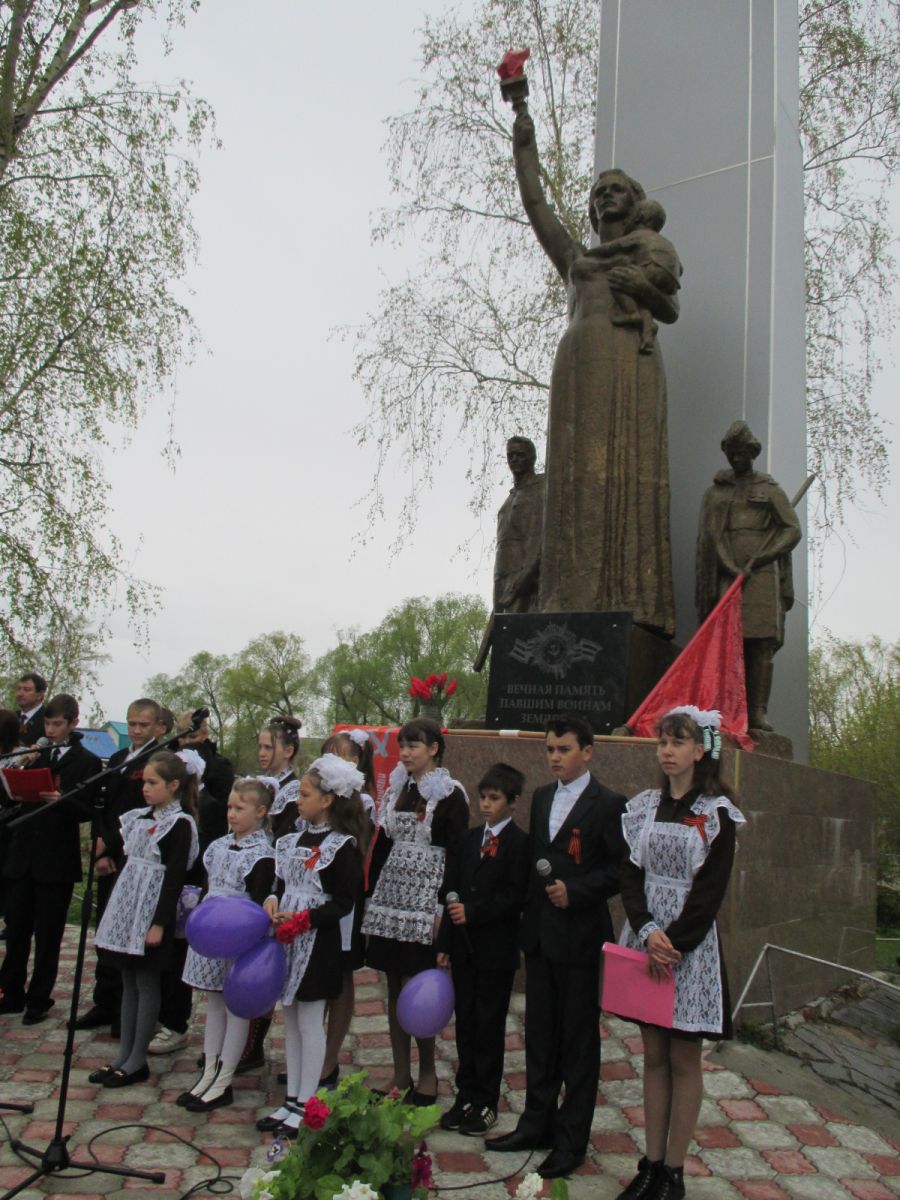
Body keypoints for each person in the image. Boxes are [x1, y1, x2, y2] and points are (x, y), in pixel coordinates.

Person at [510, 99, 681, 633]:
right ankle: (570, 594)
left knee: (627, 472)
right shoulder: (577, 259)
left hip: (629, 363)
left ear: (634, 204)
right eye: (598, 192)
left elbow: (670, 307)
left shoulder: (649, 249)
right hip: (579, 368)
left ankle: (629, 596)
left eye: (616, 190)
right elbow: (536, 207)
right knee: (576, 481)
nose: (605, 196)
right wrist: (523, 144)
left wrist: (640, 285)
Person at [486, 713, 627, 1180]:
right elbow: (536, 860)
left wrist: (577, 891)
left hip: (582, 938)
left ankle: (571, 1140)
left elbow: (619, 870)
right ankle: (536, 1124)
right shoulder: (543, 797)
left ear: (587, 751)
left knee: (577, 1042)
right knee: (540, 1036)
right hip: (542, 935)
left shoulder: (609, 803)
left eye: (564, 749)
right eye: (549, 749)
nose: (554, 757)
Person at [617, 706, 745, 1200]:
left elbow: (710, 892)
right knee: (653, 1056)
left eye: (677, 742)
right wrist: (647, 930)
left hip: (687, 950)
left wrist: (672, 944)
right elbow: (631, 874)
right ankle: (650, 1163)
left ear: (700, 750)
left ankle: (673, 1172)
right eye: (662, 742)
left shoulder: (716, 814)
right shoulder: (645, 806)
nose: (667, 751)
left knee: (684, 1058)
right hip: (648, 937)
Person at [362, 717, 469, 1104]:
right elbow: (383, 844)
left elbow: (457, 853)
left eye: (413, 745)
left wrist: (445, 904)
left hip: (428, 897)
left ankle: (427, 1072)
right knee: (393, 982)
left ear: (434, 748)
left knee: (419, 985)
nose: (405, 753)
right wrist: (372, 896)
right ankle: (400, 1071)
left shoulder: (450, 793)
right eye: (402, 746)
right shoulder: (397, 789)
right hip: (393, 895)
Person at [258, 753, 365, 1135]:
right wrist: (273, 900)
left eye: (304, 794)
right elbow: (281, 882)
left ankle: (308, 1102)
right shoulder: (291, 840)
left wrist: (306, 919)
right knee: (291, 1020)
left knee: (309, 1020)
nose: (297, 800)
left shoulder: (342, 846)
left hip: (318, 943)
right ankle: (291, 1100)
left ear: (327, 799)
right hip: (289, 939)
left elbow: (344, 901)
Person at [90, 750, 200, 1088]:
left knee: (147, 982)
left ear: (174, 785)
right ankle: (123, 1055)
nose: (145, 788)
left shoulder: (179, 824)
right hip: (130, 908)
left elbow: (174, 878)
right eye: (145, 782)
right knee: (128, 982)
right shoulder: (138, 818)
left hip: (152, 913)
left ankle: (138, 1060)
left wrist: (159, 923)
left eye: (153, 783)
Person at [436, 762, 529, 1136]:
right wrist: (445, 942)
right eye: (483, 797)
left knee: (489, 1025)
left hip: (496, 950)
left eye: (495, 798)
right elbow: (452, 890)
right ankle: (466, 1094)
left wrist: (473, 912)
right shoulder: (470, 838)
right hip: (464, 949)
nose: (486, 804)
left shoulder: (519, 844)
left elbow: (514, 896)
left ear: (513, 802)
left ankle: (487, 1100)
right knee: (466, 1023)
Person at [696, 421, 802, 732]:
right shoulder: (716, 493)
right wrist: (730, 565)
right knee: (730, 644)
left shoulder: (770, 490)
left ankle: (757, 711)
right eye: (732, 453)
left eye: (742, 453)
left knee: (761, 644)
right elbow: (711, 537)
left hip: (762, 577)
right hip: (728, 575)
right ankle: (729, 708)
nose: (737, 459)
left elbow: (791, 530)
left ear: (752, 453)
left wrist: (764, 557)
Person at [177, 777, 276, 1112]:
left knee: (235, 1007)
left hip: (239, 936)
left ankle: (224, 1078)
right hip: (212, 931)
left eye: (239, 808)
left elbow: (258, 903)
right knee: (214, 1004)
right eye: (230, 807)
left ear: (260, 812)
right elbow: (208, 886)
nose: (231, 814)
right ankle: (209, 1071)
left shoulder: (262, 855)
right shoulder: (218, 846)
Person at [0, 693, 99, 1023]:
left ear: (73, 723)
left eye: (57, 724)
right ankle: (11, 992)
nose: (51, 730)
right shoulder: (35, 754)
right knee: (16, 930)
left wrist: (61, 800)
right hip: (23, 854)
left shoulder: (86, 761)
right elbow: (11, 799)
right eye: (47, 723)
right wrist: (18, 774)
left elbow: (87, 810)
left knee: (48, 935)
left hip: (56, 859)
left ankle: (38, 999)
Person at [72, 697, 162, 1033]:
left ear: (157, 727)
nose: (136, 730)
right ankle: (104, 1000)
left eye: (143, 725)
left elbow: (140, 812)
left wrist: (110, 843)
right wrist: (100, 848)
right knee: (106, 927)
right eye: (132, 724)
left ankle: (126, 1008)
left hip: (134, 854)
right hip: (109, 851)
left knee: (128, 930)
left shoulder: (158, 760)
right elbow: (104, 804)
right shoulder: (120, 757)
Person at [317, 729, 374, 1087]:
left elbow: (358, 852)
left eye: (337, 756)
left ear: (355, 762)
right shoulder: (312, 797)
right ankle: (311, 1049)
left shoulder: (361, 803)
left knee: (340, 975)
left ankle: (329, 1058)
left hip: (342, 900)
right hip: (312, 898)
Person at [494, 437, 546, 615]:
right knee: (502, 627)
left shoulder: (541, 488)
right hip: (502, 576)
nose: (514, 459)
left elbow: (541, 537)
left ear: (532, 457)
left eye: (520, 455)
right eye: (511, 455)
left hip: (525, 578)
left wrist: (525, 576)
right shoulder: (508, 500)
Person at [257, 717, 303, 840]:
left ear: (288, 751)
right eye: (260, 747)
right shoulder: (261, 784)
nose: (261, 753)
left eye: (268, 747)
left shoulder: (293, 791)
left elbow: (285, 838)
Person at [15, 673, 47, 745]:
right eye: (19, 689)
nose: (19, 694)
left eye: (26, 690)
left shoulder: (48, 720)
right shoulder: (11, 717)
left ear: (40, 695)